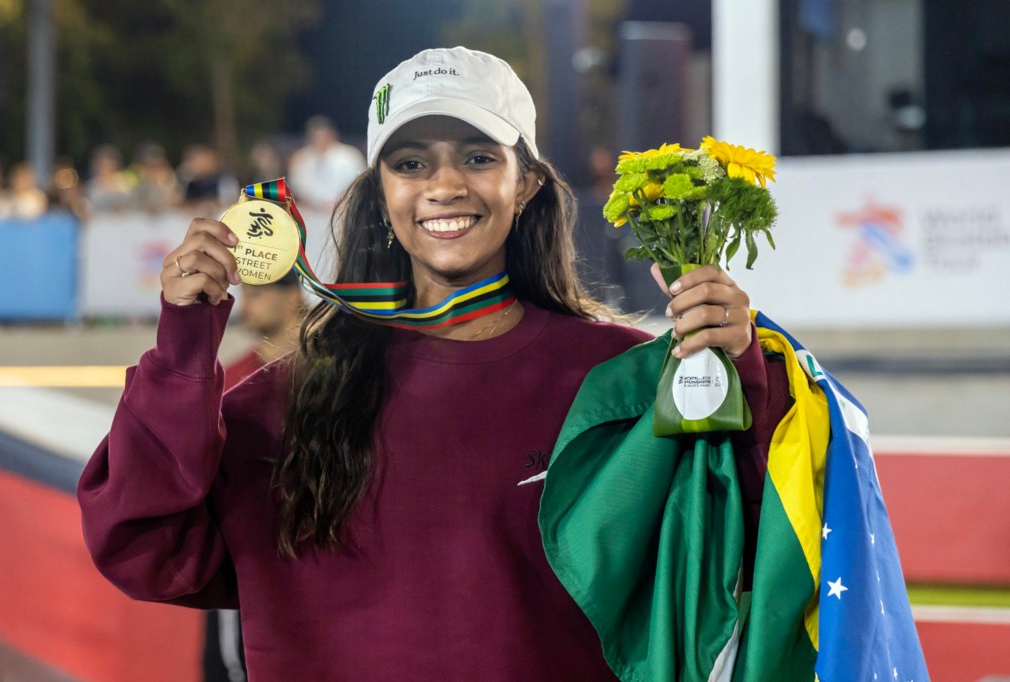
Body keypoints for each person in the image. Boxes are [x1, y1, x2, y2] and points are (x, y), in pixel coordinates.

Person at [78, 47, 790, 679]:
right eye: (411, 163)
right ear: (381, 194)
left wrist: (737, 369)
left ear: (527, 183)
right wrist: (182, 350)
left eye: (478, 157)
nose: (444, 185)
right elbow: (146, 550)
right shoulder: (286, 398)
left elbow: (749, 547)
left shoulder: (618, 381)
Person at [202, 271, 306, 682]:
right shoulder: (231, 380)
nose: (244, 306)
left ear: (293, 295)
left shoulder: (341, 371)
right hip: (251, 564)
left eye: (257, 295)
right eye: (244, 295)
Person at [287, 115, 366, 212]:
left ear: (332, 135)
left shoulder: (350, 156)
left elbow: (360, 184)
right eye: (315, 137)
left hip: (344, 210)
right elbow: (297, 190)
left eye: (323, 136)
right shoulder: (301, 158)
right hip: (311, 212)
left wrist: (345, 204)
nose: (320, 140)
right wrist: (317, 205)